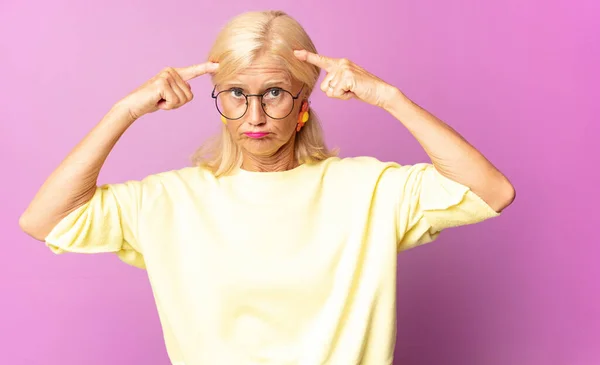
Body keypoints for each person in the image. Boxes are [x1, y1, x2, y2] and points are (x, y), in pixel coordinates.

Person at [19, 10, 515, 365]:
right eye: (236, 93)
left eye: (275, 92)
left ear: (305, 99)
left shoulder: (368, 190)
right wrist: (124, 110)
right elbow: (43, 221)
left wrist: (389, 98)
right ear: (218, 96)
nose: (254, 116)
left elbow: (491, 191)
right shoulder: (168, 201)